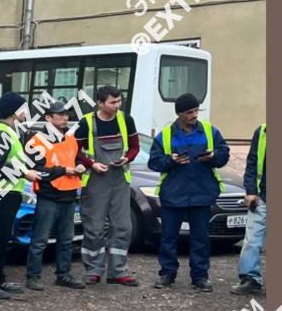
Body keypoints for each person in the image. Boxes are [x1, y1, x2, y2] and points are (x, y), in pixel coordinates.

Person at [149, 94, 230, 290]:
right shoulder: (166, 135)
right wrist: (172, 161)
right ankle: (167, 274)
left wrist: (213, 156)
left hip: (201, 194)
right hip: (173, 194)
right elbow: (154, 162)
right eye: (189, 112)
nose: (194, 115)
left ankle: (200, 277)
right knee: (169, 238)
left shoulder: (210, 131)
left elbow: (224, 154)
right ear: (179, 114)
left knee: (201, 239)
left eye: (196, 111)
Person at [0, 92, 42, 300]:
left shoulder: (10, 131)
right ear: (15, 111)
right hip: (0, 192)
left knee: (3, 238)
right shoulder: (2, 133)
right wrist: (24, 172)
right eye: (24, 107)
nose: (26, 111)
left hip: (9, 191)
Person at [74, 87, 140, 285]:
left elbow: (135, 146)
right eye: (113, 102)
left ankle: (118, 271)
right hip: (95, 181)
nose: (117, 105)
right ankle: (93, 270)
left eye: (119, 101)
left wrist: (126, 158)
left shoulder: (126, 120)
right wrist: (91, 164)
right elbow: (75, 151)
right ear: (100, 103)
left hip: (119, 180)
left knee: (123, 227)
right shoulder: (86, 123)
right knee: (94, 228)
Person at [24, 100, 87, 290]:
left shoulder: (71, 139)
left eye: (66, 114)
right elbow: (36, 169)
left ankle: (64, 274)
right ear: (48, 118)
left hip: (69, 195)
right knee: (40, 240)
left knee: (66, 240)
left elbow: (77, 159)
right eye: (60, 115)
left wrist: (81, 166)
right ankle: (33, 277)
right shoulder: (36, 141)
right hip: (48, 197)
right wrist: (63, 170)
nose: (65, 118)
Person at [232, 123, 266, 295]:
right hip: (263, 197)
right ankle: (251, 279)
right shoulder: (262, 132)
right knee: (252, 240)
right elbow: (252, 163)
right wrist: (251, 191)